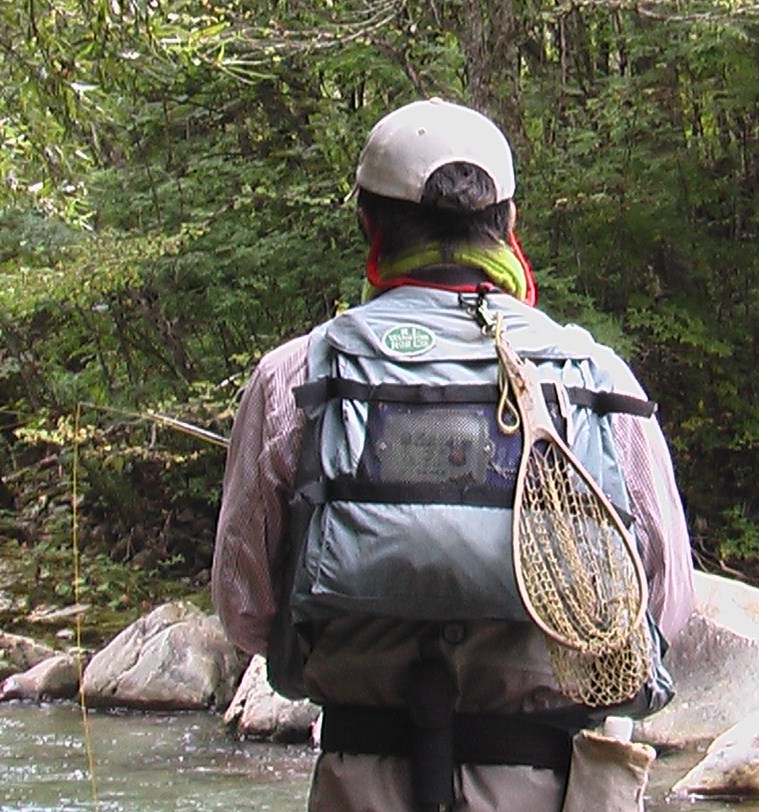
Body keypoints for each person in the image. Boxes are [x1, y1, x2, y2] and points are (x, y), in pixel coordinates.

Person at [211, 98, 696, 811]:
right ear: (506, 224)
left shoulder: (295, 377)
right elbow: (663, 604)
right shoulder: (595, 380)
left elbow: (245, 611)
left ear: (368, 226)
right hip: (549, 785)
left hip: (360, 781)